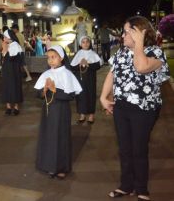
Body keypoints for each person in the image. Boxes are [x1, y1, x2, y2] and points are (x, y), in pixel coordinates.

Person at [100, 16, 170, 201]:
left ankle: (141, 189)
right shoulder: (121, 53)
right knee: (124, 148)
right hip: (121, 106)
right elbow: (112, 74)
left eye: (127, 31)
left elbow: (141, 67)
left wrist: (139, 43)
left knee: (138, 149)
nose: (122, 35)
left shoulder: (155, 53)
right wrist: (103, 97)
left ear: (139, 32)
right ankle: (126, 186)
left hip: (144, 108)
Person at [34, 45, 82, 179]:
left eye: (53, 57)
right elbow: (38, 94)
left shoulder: (67, 74)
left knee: (60, 138)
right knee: (48, 137)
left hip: (61, 111)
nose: (50, 60)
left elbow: (70, 96)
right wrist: (43, 91)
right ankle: (49, 166)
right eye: (48, 58)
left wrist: (55, 89)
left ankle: (62, 168)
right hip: (48, 112)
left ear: (61, 58)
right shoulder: (46, 74)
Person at [70, 36, 101, 125]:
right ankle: (82, 114)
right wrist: (79, 64)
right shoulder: (78, 54)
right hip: (80, 79)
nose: (85, 43)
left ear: (90, 43)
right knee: (81, 96)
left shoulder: (93, 54)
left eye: (87, 41)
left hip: (91, 79)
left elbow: (98, 66)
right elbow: (72, 67)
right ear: (80, 44)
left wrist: (88, 64)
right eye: (83, 42)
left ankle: (91, 115)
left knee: (91, 95)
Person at [1, 29, 23, 115]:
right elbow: (4, 58)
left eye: (5, 37)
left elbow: (12, 58)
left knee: (15, 86)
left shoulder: (15, 45)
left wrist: (6, 50)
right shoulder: (7, 45)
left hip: (14, 70)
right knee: (7, 86)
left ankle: (16, 107)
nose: (4, 38)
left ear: (9, 37)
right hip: (6, 69)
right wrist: (4, 49)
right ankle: (8, 107)